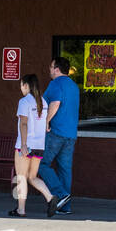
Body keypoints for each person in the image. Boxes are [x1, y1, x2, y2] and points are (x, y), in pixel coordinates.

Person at [10, 74, 58, 218]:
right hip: (39, 146)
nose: (20, 88)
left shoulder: (24, 102)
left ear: (26, 85)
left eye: (21, 85)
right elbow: (44, 124)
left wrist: (24, 144)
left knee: (21, 177)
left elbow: (23, 124)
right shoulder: (43, 102)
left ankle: (21, 210)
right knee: (32, 177)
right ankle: (50, 197)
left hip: (26, 145)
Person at [39, 57, 80, 214]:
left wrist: (46, 122)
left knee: (42, 164)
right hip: (71, 134)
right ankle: (65, 207)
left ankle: (61, 194)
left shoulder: (56, 83)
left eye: (51, 67)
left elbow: (55, 103)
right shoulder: (74, 87)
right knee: (65, 170)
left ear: (56, 69)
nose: (49, 70)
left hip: (56, 132)